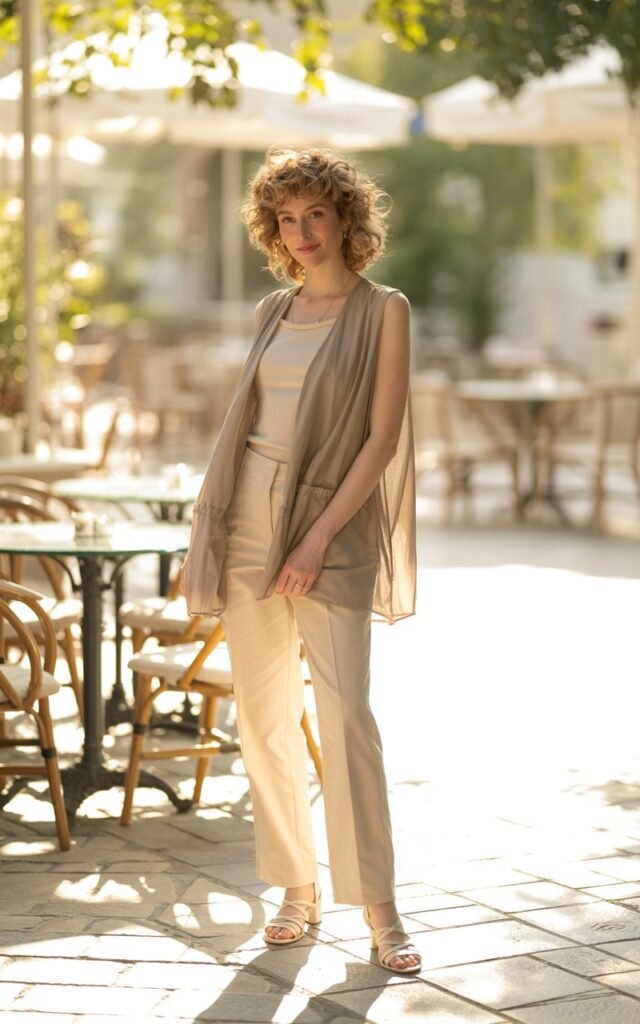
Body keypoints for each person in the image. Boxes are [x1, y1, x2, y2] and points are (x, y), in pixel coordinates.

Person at [181, 147, 420, 973]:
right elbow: (240, 431)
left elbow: (381, 439)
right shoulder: (270, 313)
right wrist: (210, 536)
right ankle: (295, 886)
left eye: (315, 213)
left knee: (346, 710)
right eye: (285, 217)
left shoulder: (384, 310)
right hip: (247, 516)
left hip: (331, 528)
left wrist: (315, 539)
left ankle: (380, 907)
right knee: (262, 716)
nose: (301, 231)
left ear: (347, 218)